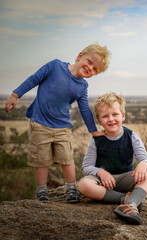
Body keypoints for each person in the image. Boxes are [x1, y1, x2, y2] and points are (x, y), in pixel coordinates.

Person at [4, 43, 111, 203]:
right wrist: (15, 94)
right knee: (41, 161)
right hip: (40, 124)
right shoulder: (55, 66)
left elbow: (84, 109)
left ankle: (71, 189)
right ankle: (41, 191)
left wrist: (93, 130)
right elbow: (34, 79)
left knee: (67, 159)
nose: (90, 68)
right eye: (89, 62)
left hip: (63, 128)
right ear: (80, 55)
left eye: (95, 69)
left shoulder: (82, 86)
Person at [78, 92, 147, 225]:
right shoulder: (96, 141)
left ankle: (130, 206)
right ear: (99, 120)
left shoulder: (131, 136)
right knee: (84, 185)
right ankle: (126, 199)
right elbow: (86, 167)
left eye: (115, 114)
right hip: (103, 182)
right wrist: (101, 173)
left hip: (126, 179)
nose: (111, 119)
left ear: (123, 116)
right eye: (105, 116)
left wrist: (143, 164)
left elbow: (146, 160)